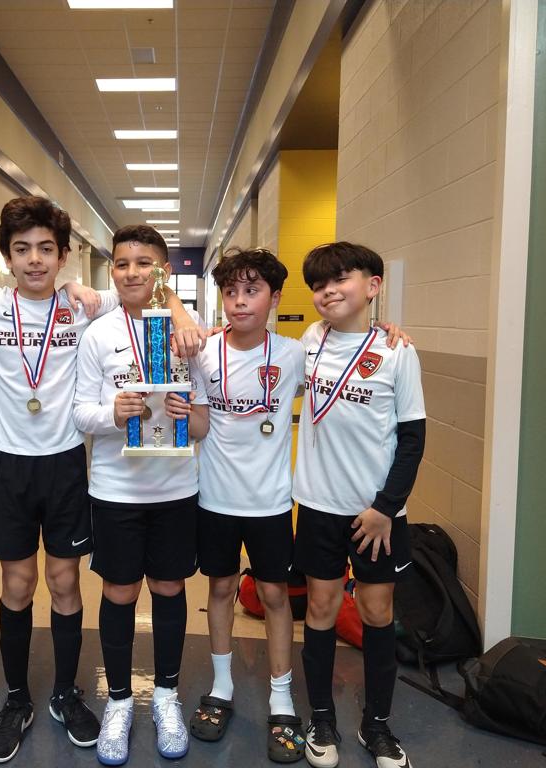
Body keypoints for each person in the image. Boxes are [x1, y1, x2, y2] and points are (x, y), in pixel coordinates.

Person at [0, 197, 202, 764]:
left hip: (66, 463)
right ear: (5, 257)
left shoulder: (84, 304)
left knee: (65, 581)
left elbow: (149, 286)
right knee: (18, 583)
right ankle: (17, 700)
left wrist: (179, 310)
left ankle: (64, 695)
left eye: (46, 249)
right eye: (22, 249)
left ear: (64, 255)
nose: (34, 260)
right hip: (9, 464)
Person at [73, 224, 210, 766]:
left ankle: (168, 697)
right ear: (112, 270)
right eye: (122, 263)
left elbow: (202, 421)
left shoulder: (186, 333)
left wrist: (186, 414)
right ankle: (120, 701)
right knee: (120, 591)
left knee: (169, 586)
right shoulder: (98, 335)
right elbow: (80, 413)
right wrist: (113, 413)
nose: (132, 273)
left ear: (163, 271)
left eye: (144, 262)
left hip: (176, 488)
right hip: (116, 489)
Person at [292, 242, 426, 768]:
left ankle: (377, 725)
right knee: (321, 609)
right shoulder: (311, 340)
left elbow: (412, 440)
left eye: (339, 279)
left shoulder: (398, 352)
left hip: (377, 514)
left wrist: (386, 508)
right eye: (318, 285)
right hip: (319, 506)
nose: (327, 291)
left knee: (376, 612)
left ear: (373, 286)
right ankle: (322, 719)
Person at [186, 247, 308, 763]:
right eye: (231, 291)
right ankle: (222, 687)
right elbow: (198, 428)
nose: (239, 302)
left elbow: (345, 350)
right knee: (220, 589)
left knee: (275, 595)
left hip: (271, 502)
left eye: (252, 291)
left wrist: (388, 329)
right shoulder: (203, 353)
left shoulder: (296, 354)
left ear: (274, 297)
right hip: (215, 497)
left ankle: (282, 698)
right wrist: (181, 410)